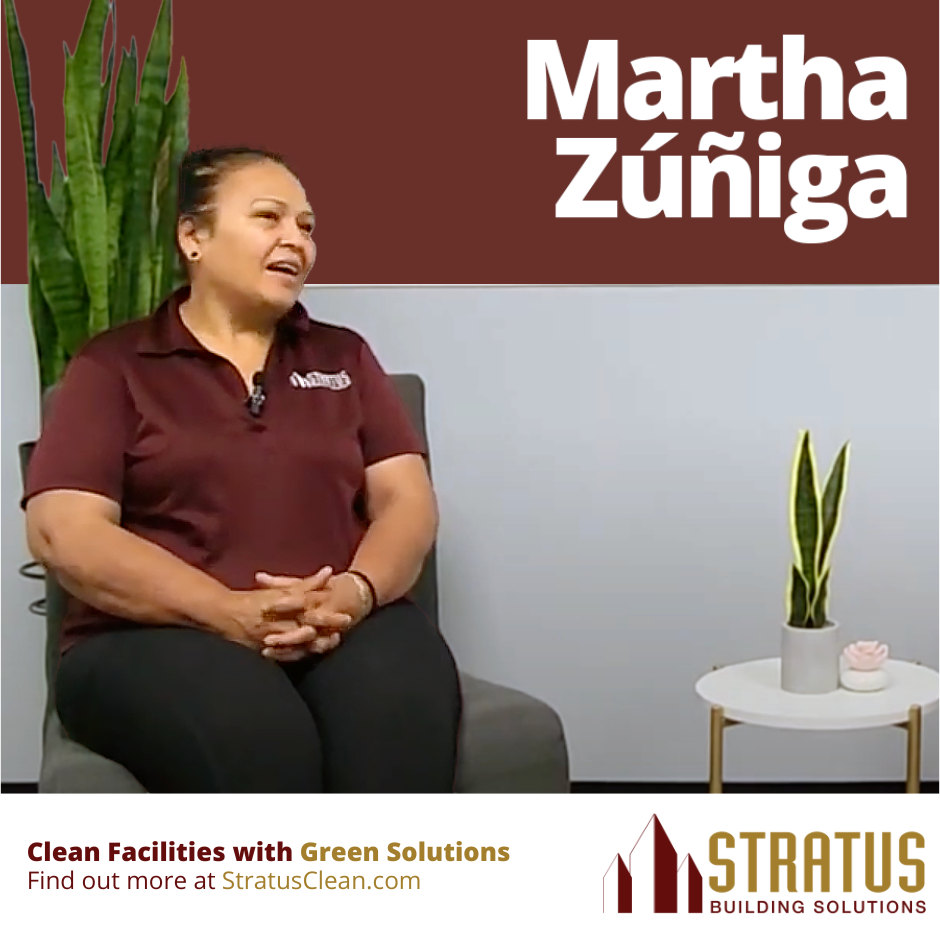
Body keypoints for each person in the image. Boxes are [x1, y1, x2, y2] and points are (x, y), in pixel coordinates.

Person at [22, 146, 463, 793]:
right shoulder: (112, 367)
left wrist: (356, 592)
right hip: (152, 635)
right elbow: (64, 531)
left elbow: (407, 502)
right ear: (193, 237)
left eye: (307, 226)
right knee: (260, 737)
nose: (297, 240)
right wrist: (227, 611)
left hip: (340, 618)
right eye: (269, 218)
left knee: (397, 719)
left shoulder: (345, 356)